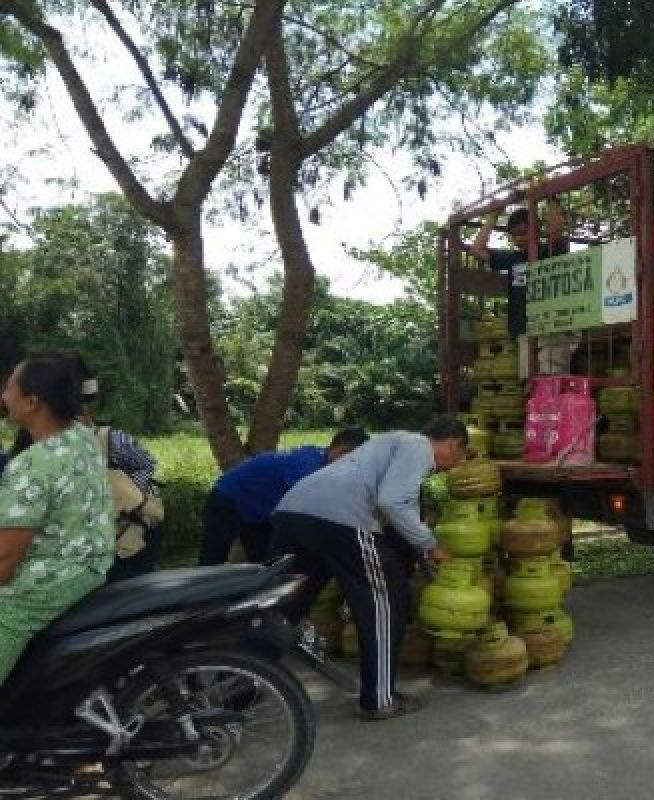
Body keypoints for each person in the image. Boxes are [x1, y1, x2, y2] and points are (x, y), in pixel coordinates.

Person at [270, 416, 467, 720]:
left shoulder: (388, 443)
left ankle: (235, 686)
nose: (457, 462)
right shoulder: (418, 446)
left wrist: (416, 550)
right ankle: (379, 699)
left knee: (285, 604)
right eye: (461, 454)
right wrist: (431, 546)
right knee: (387, 599)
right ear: (453, 443)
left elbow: (395, 513)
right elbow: (392, 503)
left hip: (292, 513)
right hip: (341, 518)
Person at [0, 356, 114, 684]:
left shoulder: (33, 466)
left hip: (47, 582)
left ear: (32, 402)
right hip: (90, 564)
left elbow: (6, 560)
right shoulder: (81, 436)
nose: (4, 395)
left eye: (9, 387)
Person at [198, 428, 369, 566]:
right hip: (228, 500)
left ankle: (259, 605)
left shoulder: (324, 463)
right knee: (212, 560)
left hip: (259, 514)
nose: (352, 465)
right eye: (352, 459)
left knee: (269, 564)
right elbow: (309, 508)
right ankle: (197, 603)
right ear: (340, 450)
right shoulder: (307, 465)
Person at [73, 366, 163, 582]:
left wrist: (127, 497)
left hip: (133, 535)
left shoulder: (110, 439)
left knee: (130, 592)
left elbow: (146, 463)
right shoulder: (44, 445)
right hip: (94, 542)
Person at [470, 198, 576, 374]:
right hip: (524, 331)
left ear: (537, 229)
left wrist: (550, 198)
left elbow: (557, 230)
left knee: (550, 381)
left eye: (524, 232)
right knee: (531, 385)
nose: (519, 238)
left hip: (551, 329)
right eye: (514, 235)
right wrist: (492, 217)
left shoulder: (549, 251)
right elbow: (476, 250)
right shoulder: (514, 259)